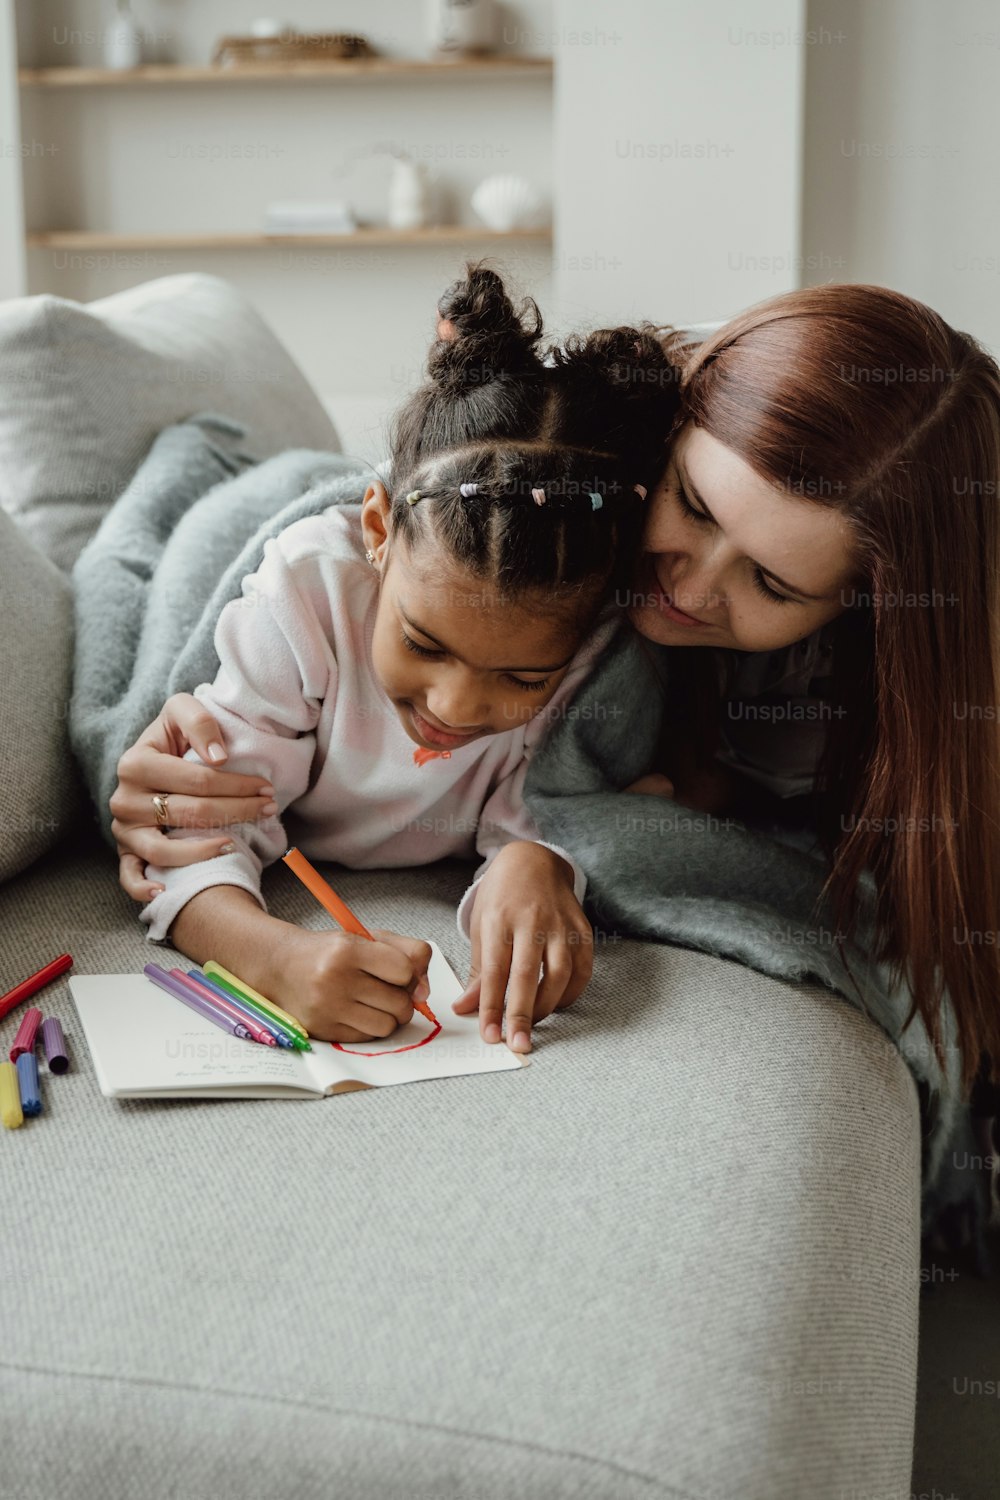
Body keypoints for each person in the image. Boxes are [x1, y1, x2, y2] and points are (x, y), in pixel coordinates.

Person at [111, 278, 1000, 1093]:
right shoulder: (516, 507)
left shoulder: (814, 682)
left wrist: (561, 848)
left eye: (772, 583)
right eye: (692, 504)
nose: (685, 591)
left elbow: (559, 798)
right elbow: (427, 520)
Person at [122, 265, 680, 1053]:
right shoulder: (309, 594)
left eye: (524, 678)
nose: (453, 708)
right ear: (378, 532)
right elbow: (188, 832)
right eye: (423, 643)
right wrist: (272, 958)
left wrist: (538, 859)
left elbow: (567, 797)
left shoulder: (595, 647)